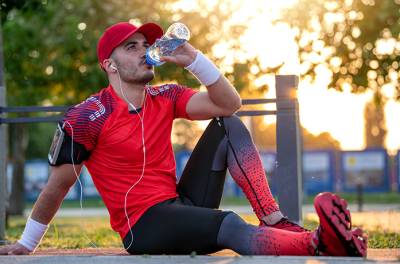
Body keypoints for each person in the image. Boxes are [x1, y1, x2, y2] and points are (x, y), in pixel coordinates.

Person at [0, 21, 366, 257]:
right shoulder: (88, 115)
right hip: (142, 226)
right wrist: (27, 244)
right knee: (229, 225)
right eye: (131, 47)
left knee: (229, 124)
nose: (144, 50)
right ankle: (317, 243)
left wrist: (194, 60)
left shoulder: (166, 95)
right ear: (109, 65)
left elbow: (230, 103)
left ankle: (275, 221)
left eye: (145, 43)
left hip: (179, 202)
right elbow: (57, 186)